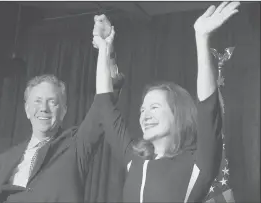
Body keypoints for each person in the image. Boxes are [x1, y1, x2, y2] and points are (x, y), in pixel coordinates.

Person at [92, 1, 240, 202]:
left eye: (154, 107)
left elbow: (207, 107)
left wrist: (201, 37)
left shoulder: (199, 164)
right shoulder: (134, 161)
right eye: (142, 110)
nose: (145, 115)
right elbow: (105, 106)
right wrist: (104, 47)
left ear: (177, 114)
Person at [0, 73, 122, 203]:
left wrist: (106, 50)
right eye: (37, 101)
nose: (44, 108)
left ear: (63, 111)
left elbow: (102, 106)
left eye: (52, 102)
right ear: (27, 110)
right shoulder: (2, 161)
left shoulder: (75, 145)